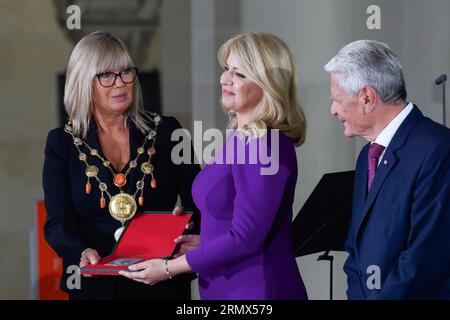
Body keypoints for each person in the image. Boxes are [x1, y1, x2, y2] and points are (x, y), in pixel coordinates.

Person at [120, 32, 308, 300]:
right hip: (227, 285)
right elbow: (234, 222)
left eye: (240, 74)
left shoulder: (263, 143)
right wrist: (204, 243)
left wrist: (168, 268)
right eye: (226, 69)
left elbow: (246, 237)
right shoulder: (242, 139)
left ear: (269, 84)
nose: (225, 79)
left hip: (256, 290)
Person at [42, 31, 200, 300]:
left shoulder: (167, 132)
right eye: (106, 75)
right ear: (83, 81)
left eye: (126, 72)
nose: (120, 84)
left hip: (161, 282)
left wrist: (192, 235)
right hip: (96, 287)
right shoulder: (62, 143)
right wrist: (80, 251)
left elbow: (200, 203)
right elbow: (58, 222)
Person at [324, 40, 450, 299]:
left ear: (367, 98)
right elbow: (355, 250)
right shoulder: (366, 156)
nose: (333, 110)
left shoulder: (438, 149)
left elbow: (424, 260)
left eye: (337, 99)